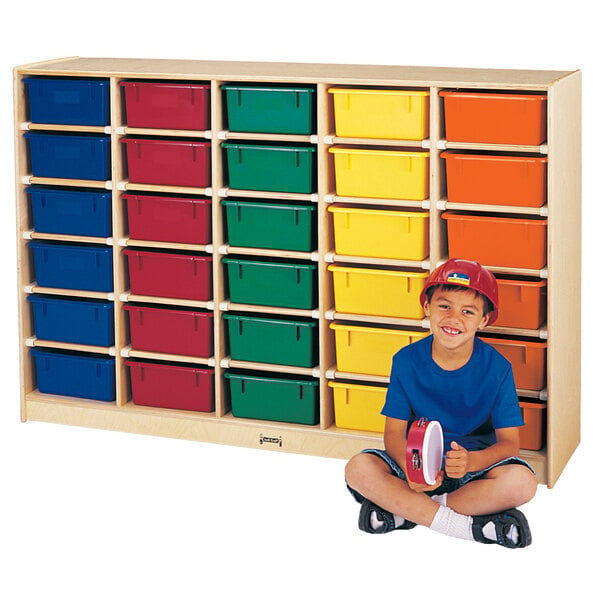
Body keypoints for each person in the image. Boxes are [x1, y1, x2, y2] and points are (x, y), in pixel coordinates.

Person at [344, 258, 538, 548]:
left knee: (523, 482)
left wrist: (473, 461)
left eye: (468, 311)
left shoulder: (498, 368)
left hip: (473, 473)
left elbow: (509, 444)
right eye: (444, 306)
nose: (453, 318)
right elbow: (394, 433)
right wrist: (410, 469)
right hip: (415, 466)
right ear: (427, 308)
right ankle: (466, 525)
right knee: (357, 468)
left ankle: (407, 510)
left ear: (483, 320)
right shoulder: (406, 361)